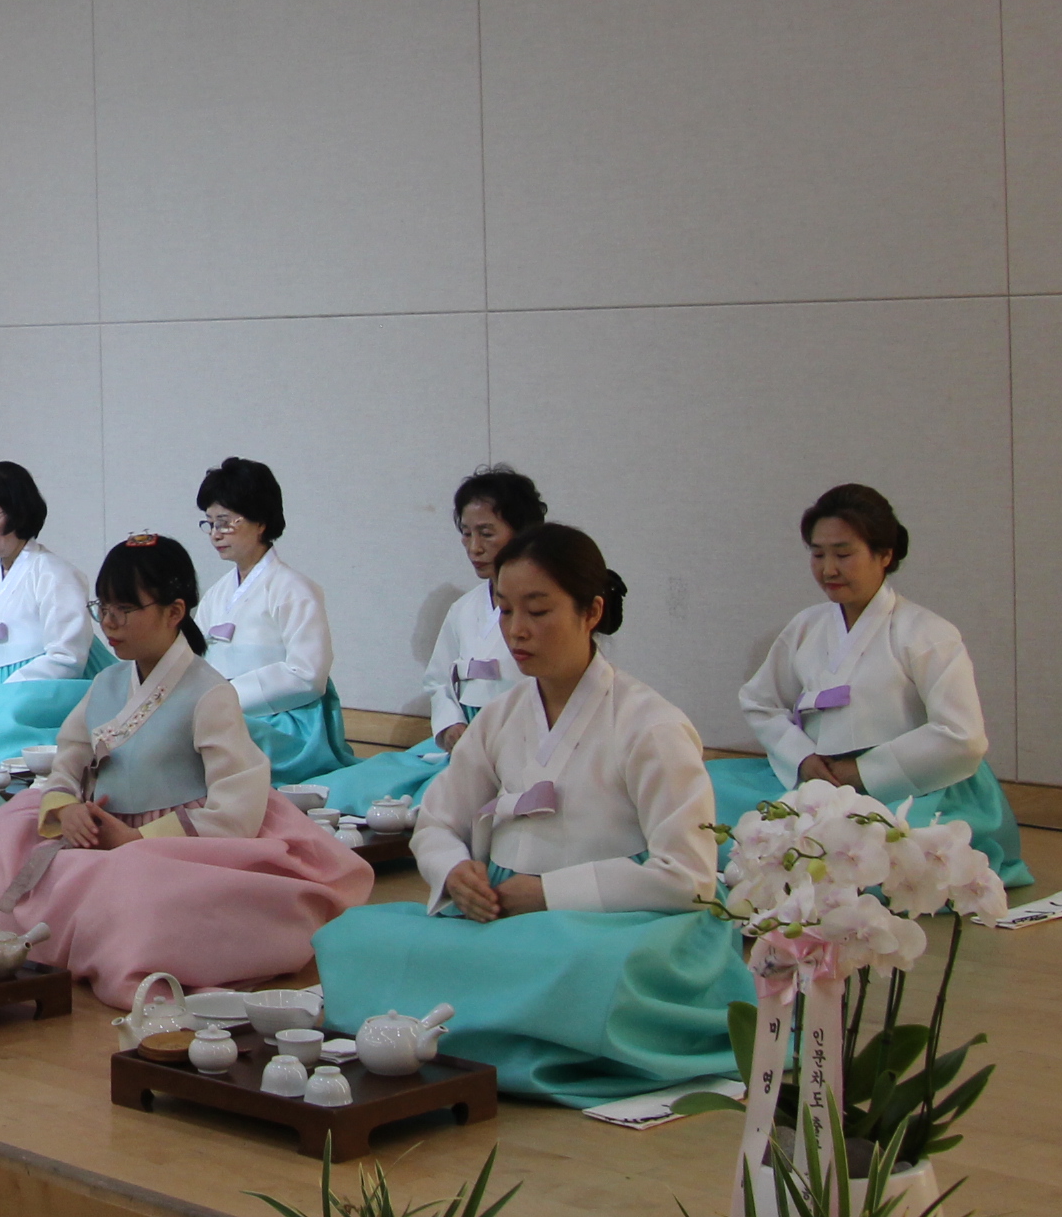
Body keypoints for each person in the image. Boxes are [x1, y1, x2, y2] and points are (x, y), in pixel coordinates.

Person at [311, 525, 750, 1105]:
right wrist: (454, 872)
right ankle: (502, 1023)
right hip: (498, 910)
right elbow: (438, 821)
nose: (516, 629)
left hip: (612, 921)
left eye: (538, 611)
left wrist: (547, 894)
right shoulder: (502, 716)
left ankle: (494, 1028)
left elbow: (688, 877)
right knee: (352, 935)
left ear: (592, 611)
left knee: (586, 965)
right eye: (505, 609)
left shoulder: (652, 724)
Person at [0, 533, 372, 1005]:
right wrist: (66, 808)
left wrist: (137, 839)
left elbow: (237, 807)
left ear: (174, 611)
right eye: (103, 608)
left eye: (124, 609)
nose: (109, 623)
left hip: (175, 845)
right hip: (94, 831)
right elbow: (68, 761)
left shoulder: (209, 693)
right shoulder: (106, 682)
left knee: (135, 897)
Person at [720, 484, 1030, 888]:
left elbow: (962, 735)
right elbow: (760, 702)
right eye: (818, 554)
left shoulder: (927, 633)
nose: (828, 569)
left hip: (912, 786)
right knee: (708, 791)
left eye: (843, 554)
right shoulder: (806, 627)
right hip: (821, 780)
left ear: (885, 555)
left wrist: (863, 771)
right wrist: (802, 758)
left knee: (878, 861)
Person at [321, 465, 545, 815]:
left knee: (436, 803)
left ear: (522, 533)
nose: (474, 547)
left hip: (514, 748)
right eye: (467, 534)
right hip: (459, 744)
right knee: (351, 784)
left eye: (487, 533)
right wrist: (449, 724)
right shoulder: (464, 609)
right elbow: (439, 680)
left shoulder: (543, 611)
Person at [192, 457, 351, 783]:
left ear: (260, 521)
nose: (216, 534)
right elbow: (196, 661)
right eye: (210, 523)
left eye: (225, 522)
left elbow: (307, 676)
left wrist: (226, 698)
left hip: (286, 725)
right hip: (228, 715)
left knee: (206, 741)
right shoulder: (216, 595)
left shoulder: (295, 590)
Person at [0, 460, 98, 762]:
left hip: (33, 696)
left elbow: (66, 656)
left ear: (17, 512)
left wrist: (3, 697)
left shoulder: (54, 573)